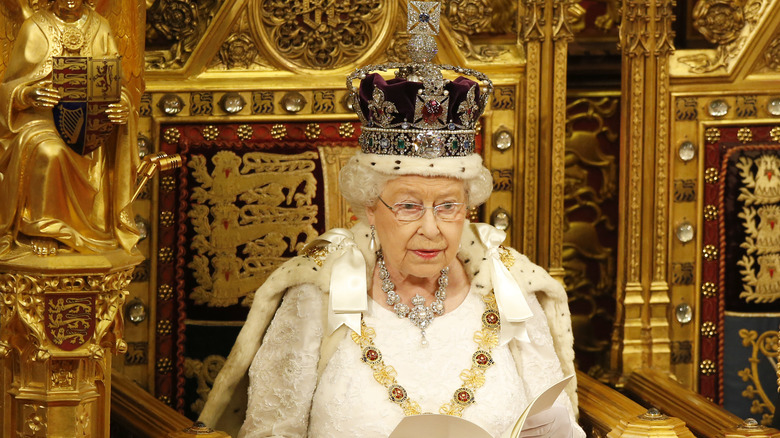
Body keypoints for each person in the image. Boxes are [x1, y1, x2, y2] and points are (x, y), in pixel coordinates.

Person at [199, 4, 584, 437]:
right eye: (408, 206)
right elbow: (272, 431)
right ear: (368, 208)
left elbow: (556, 425)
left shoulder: (509, 289)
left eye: (448, 206)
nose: (432, 229)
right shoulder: (317, 294)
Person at [0, 0, 139, 257]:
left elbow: (114, 83)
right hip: (41, 120)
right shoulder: (35, 27)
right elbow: (8, 88)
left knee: (87, 147)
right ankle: (44, 229)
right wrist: (29, 94)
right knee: (49, 152)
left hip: (90, 121)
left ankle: (89, 229)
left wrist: (122, 106)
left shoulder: (101, 27)